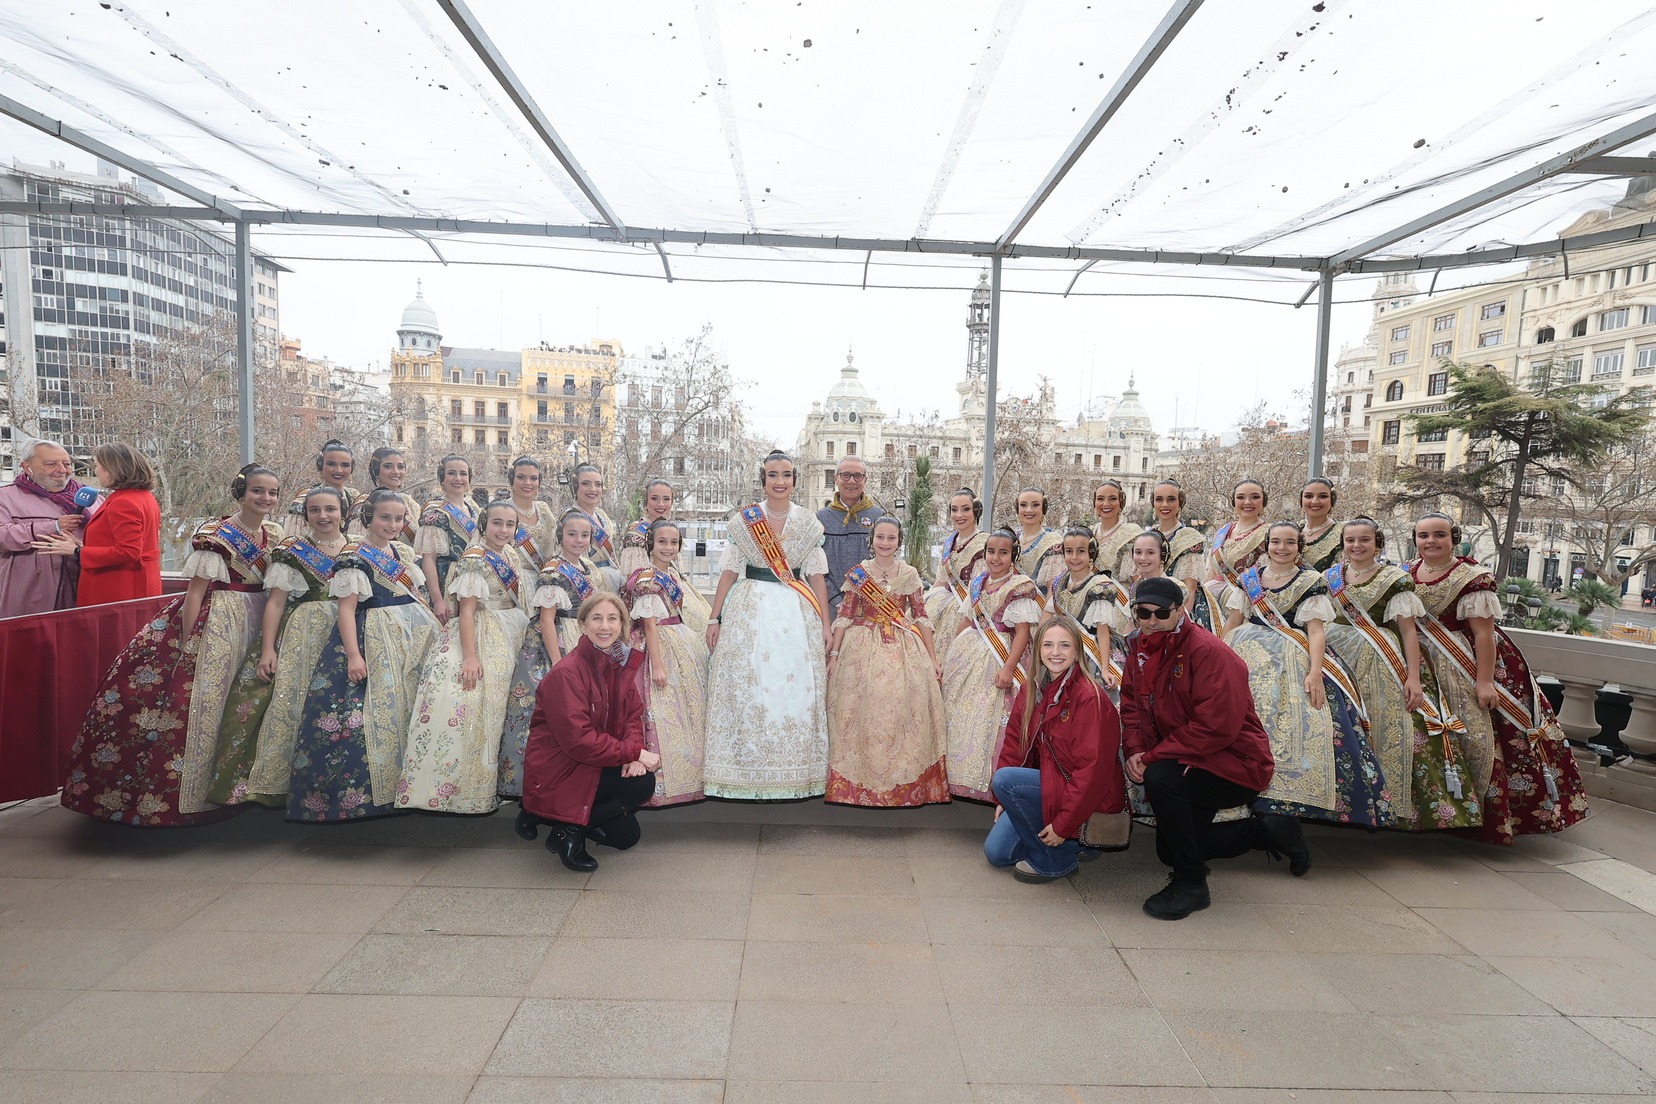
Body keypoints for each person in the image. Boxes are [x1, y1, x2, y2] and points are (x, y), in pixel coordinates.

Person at [62, 464, 284, 826]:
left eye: (272, 492)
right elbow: (195, 592)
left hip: (260, 618)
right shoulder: (215, 534)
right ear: (241, 492)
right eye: (258, 490)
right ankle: (184, 795)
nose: (266, 498)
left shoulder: (273, 534)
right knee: (202, 701)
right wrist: (187, 638)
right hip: (221, 618)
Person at [1121, 577, 1304, 921]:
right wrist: (1134, 749)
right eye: (1143, 612)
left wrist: (1152, 757)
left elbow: (1215, 727)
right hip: (1187, 756)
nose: (1152, 620)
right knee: (1170, 850)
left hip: (1235, 763)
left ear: (1180, 610)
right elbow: (1131, 705)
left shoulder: (1209, 651)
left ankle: (1192, 885)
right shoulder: (1139, 648)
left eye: (1161, 612)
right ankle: (1264, 832)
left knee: (1161, 779)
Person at [1408, 512, 1588, 844]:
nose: (1431, 541)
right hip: (1418, 664)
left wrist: (1485, 681)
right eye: (1423, 535)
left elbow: (1484, 635)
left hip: (1465, 662)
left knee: (1476, 734)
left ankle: (1483, 817)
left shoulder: (1471, 578)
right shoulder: (1406, 573)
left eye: (1439, 535)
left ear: (1454, 538)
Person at [1220, 521, 1391, 828]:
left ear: (1299, 547)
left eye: (1289, 542)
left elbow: (1316, 631)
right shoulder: (1249, 579)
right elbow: (1233, 620)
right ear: (1266, 545)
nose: (1281, 548)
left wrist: (1314, 672)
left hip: (1293, 657)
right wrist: (1217, 656)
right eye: (1275, 542)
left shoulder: (1310, 581)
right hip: (1246, 651)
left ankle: (1283, 799)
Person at [287, 489, 439, 822]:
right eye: (385, 518)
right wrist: (354, 656)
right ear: (369, 518)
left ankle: (408, 787)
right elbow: (346, 609)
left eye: (398, 519)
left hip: (408, 638)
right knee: (370, 715)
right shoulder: (353, 556)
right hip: (372, 638)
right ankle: (371, 796)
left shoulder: (402, 551)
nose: (392, 524)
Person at [1324, 518, 1480, 832]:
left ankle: (1394, 807)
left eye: (1365, 540)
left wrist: (1413, 678)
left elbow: (1409, 633)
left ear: (1377, 544)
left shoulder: (1394, 580)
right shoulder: (1329, 577)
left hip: (1381, 663)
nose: (1357, 546)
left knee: (1394, 731)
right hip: (1337, 659)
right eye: (1350, 540)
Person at [703, 450, 833, 800]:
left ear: (794, 480)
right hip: (750, 608)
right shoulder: (745, 521)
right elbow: (729, 572)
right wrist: (714, 617)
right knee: (751, 686)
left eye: (786, 475)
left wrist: (825, 624)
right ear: (763, 480)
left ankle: (794, 771)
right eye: (773, 475)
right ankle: (747, 773)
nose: (779, 481)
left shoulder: (808, 523)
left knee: (794, 688)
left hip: (797, 610)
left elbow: (816, 578)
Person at [208, 485, 347, 809]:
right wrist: (268, 650)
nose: (323, 516)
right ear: (305, 515)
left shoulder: (357, 549)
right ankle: (282, 783)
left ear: (343, 512)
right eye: (315, 510)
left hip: (345, 634)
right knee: (290, 702)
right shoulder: (291, 551)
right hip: (302, 635)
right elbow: (275, 603)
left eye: (330, 509)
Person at [398, 500, 532, 814]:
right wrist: (470, 658)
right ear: (483, 525)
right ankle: (466, 790)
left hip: (511, 629)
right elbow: (467, 612)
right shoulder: (474, 559)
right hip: (483, 632)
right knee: (479, 708)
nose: (503, 530)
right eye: (497, 523)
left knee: (507, 709)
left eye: (509, 524)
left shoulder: (510, 554)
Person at [521, 592, 662, 871]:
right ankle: (568, 831)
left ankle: (559, 819)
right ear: (583, 625)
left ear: (622, 625)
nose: (605, 626)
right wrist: (633, 752)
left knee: (626, 838)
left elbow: (632, 716)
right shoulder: (567, 674)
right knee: (641, 785)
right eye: (597, 619)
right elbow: (579, 742)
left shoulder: (618, 663)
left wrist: (633, 754)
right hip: (562, 769)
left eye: (612, 619)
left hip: (596, 760)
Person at [986, 617, 1127, 882]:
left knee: (1006, 780)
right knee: (997, 853)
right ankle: (1075, 843)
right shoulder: (1031, 689)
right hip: (1051, 784)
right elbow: (1015, 746)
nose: (1055, 652)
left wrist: (1063, 825)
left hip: (1088, 794)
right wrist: (1003, 801)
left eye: (1065, 645)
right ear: (1038, 649)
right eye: (1048, 645)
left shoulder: (1089, 697)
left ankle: (1056, 859)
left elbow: (1091, 773)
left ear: (1077, 652)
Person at [825, 516, 949, 807]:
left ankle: (904, 783)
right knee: (859, 711)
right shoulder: (859, 574)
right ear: (872, 540)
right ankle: (857, 783)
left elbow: (921, 616)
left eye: (891, 537)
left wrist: (932, 659)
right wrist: (834, 654)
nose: (885, 542)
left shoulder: (909, 574)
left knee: (903, 708)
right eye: (880, 537)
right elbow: (845, 615)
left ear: (899, 541)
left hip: (903, 646)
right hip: (861, 648)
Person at [942, 528, 1042, 801]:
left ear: (1013, 555)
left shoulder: (1020, 586)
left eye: (1003, 552)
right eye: (991, 551)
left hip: (1001, 656)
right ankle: (955, 779)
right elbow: (967, 619)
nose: (996, 558)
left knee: (989, 717)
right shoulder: (978, 581)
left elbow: (1022, 632)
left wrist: (1009, 668)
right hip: (970, 653)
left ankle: (988, 784)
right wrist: (951, 653)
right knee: (961, 714)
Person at [623, 519, 709, 807]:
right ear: (650, 544)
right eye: (662, 542)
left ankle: (688, 776)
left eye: (673, 542)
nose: (668, 547)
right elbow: (649, 624)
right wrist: (657, 665)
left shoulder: (670, 574)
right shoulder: (647, 579)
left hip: (679, 641)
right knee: (658, 709)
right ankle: (660, 783)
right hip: (656, 646)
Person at [32, 443, 160, 606]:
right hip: (137, 584)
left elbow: (129, 551)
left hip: (119, 589)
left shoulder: (124, 502)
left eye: (98, 466)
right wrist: (82, 545)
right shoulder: (142, 496)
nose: (96, 471)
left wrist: (78, 552)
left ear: (112, 469)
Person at [0, 438, 81, 616]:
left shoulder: (90, 499)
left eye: (67, 464)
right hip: (27, 596)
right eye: (51, 464)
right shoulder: (5, 497)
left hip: (80, 594)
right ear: (26, 467)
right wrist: (53, 527)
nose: (62, 470)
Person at [1046, 525, 1127, 688]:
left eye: (1081, 551)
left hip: (1090, 654)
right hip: (1062, 653)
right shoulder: (1060, 581)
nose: (1074, 557)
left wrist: (1105, 668)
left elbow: (1102, 631)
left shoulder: (1100, 586)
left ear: (1091, 552)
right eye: (1069, 551)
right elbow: (1047, 617)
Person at [922, 488, 989, 667]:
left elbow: (979, 588)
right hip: (942, 602)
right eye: (954, 509)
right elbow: (940, 581)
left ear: (976, 511)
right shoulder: (949, 542)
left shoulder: (985, 543)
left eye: (965, 509)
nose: (959, 515)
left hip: (967, 608)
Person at [536, 510, 609, 660]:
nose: (579, 540)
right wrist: (557, 662)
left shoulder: (588, 567)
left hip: (587, 634)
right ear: (560, 535)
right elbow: (546, 620)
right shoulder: (553, 573)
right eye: (572, 534)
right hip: (564, 637)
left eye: (585, 535)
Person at [818, 457, 885, 618]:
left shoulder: (879, 517)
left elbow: (886, 562)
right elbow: (817, 569)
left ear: (865, 480)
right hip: (832, 607)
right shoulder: (821, 519)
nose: (852, 481)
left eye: (858, 476)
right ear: (836, 478)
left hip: (870, 606)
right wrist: (837, 601)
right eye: (845, 475)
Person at [414, 454, 478, 622]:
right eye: (451, 473)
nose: (458, 478)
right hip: (447, 583)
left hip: (473, 581)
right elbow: (429, 559)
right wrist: (437, 600)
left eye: (463, 474)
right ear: (442, 477)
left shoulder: (474, 510)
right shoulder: (434, 513)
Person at [1202, 478, 1271, 631]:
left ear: (1264, 501)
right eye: (1241, 497)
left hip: (1245, 602)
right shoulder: (1223, 530)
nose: (1247, 502)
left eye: (1255, 497)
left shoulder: (1269, 533)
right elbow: (1211, 572)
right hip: (1211, 596)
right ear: (1233, 501)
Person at [1149, 480, 1210, 628]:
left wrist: (1178, 625)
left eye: (1171, 499)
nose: (1165, 505)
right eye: (1159, 499)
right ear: (1153, 503)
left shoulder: (1189, 537)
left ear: (1180, 503)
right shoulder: (1149, 535)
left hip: (1179, 609)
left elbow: (1189, 589)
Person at [284, 440, 359, 539]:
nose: (339, 470)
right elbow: (294, 542)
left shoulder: (356, 500)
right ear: (320, 465)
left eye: (345, 465)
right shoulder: (303, 501)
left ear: (352, 467)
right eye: (331, 464)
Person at [567, 463, 622, 589]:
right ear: (575, 487)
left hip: (611, 580)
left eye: (598, 484)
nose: (593, 489)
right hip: (587, 582)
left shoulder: (602, 515)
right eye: (586, 484)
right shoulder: (570, 518)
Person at [351, 446, 419, 542]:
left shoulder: (410, 504)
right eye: (388, 466)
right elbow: (357, 541)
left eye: (400, 467)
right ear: (376, 470)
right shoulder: (365, 503)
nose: (396, 471)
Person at [504, 456, 557, 570]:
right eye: (521, 477)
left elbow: (554, 547)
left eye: (533, 478)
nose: (527, 483)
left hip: (544, 577)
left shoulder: (543, 510)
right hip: (513, 578)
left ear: (539, 482)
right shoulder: (501, 510)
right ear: (511, 479)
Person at [618, 479, 677, 579]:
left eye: (666, 499)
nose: (661, 504)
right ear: (646, 501)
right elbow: (634, 578)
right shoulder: (636, 532)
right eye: (654, 498)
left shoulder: (671, 530)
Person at [1013, 487, 1064, 592]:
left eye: (1035, 505)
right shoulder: (1011, 539)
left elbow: (1052, 589)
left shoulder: (1053, 543)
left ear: (1043, 509)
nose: (1029, 510)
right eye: (1023, 505)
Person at [1090, 479, 1142, 579]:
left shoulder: (1131, 534)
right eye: (1100, 499)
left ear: (1121, 502)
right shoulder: (1090, 532)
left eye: (1112, 499)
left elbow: (1137, 579)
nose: (1106, 503)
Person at [1300, 477, 1344, 572]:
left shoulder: (1343, 534)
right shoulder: (1293, 530)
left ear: (1332, 500)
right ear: (1301, 500)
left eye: (1323, 496)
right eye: (1308, 496)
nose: (1315, 501)